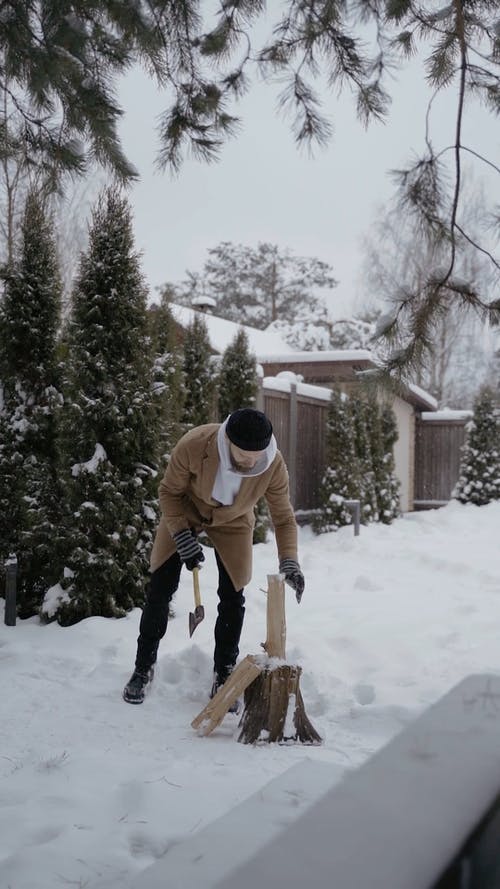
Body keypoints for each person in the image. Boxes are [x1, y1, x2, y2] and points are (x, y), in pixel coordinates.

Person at [123, 408, 305, 705]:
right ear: (227, 441)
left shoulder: (273, 465)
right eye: (243, 454)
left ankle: (224, 673)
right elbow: (169, 492)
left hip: (234, 520)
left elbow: (283, 517)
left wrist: (289, 560)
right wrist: (182, 535)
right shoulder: (195, 444)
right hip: (185, 511)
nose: (250, 461)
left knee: (233, 596)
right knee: (159, 589)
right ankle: (142, 668)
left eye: (256, 455)